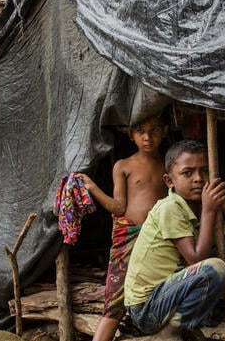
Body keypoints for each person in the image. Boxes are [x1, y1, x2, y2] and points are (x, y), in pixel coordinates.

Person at [124, 140, 225, 341]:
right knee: (214, 268)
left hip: (170, 296)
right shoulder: (170, 208)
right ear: (170, 181)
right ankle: (171, 332)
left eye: (205, 171)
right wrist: (209, 210)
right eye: (188, 173)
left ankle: (198, 317)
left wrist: (224, 208)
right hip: (147, 308)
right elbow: (197, 259)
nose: (199, 179)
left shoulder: (202, 210)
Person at [79, 114, 169, 341]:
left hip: (159, 240)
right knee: (115, 301)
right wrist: (92, 187)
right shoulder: (123, 166)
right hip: (129, 238)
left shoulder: (170, 165)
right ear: (131, 135)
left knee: (162, 289)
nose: (147, 137)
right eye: (141, 131)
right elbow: (118, 208)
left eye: (154, 130)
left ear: (165, 131)